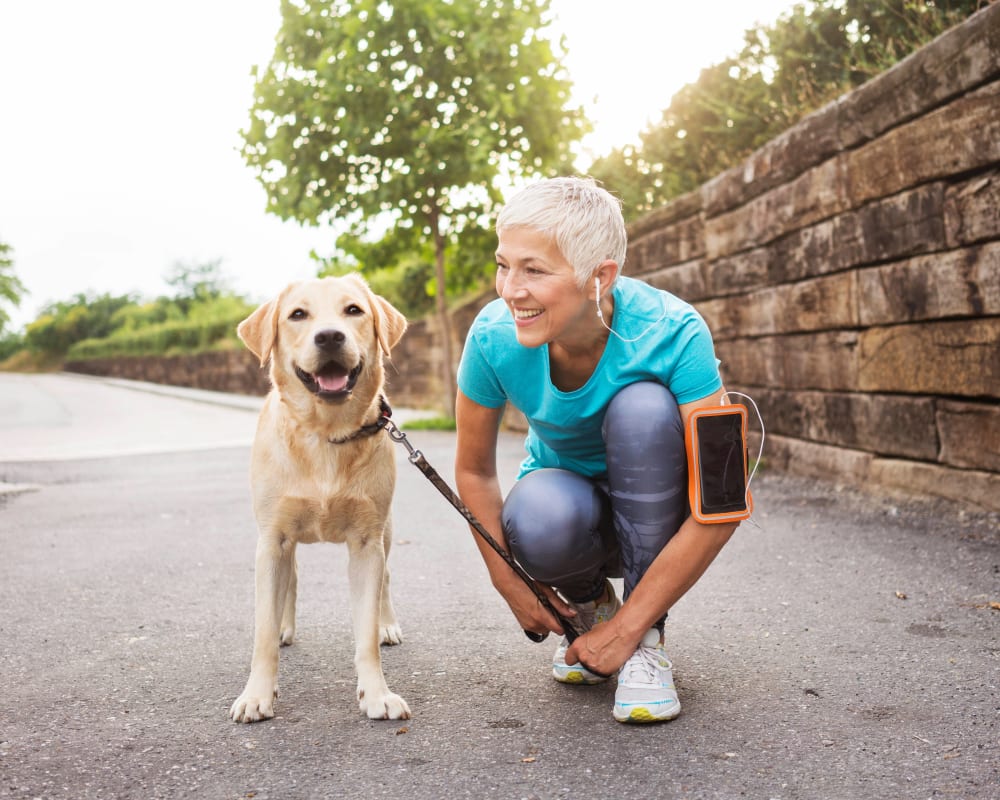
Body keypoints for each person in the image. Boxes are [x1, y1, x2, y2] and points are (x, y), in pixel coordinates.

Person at [454, 176, 742, 724]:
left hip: (663, 517)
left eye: (534, 269)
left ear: (599, 277)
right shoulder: (492, 336)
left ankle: (645, 641)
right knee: (537, 511)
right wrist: (509, 581)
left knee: (644, 409)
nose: (509, 289)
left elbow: (723, 499)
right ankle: (591, 606)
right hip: (571, 524)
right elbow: (473, 470)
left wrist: (629, 631)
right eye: (503, 264)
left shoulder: (675, 331)